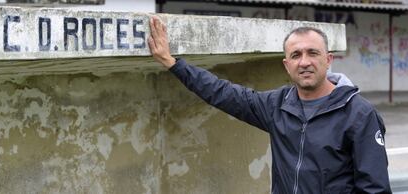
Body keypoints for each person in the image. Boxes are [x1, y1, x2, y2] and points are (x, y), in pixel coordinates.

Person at [148, 16, 392, 194]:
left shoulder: (358, 114)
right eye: (296, 55)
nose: (304, 62)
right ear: (287, 65)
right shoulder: (277, 105)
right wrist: (173, 63)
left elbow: (375, 190)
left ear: (328, 60)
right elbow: (221, 92)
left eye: (312, 53)